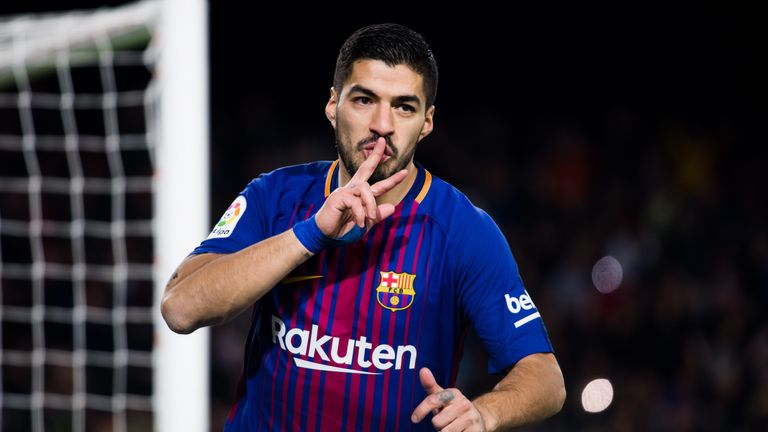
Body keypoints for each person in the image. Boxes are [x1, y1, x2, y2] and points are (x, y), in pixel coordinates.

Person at [161, 23, 565, 431]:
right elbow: (180, 308)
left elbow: (546, 378)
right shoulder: (275, 195)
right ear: (333, 105)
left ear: (427, 122)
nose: (382, 124)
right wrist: (311, 233)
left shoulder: (463, 230)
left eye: (404, 106)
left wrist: (486, 412)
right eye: (364, 99)